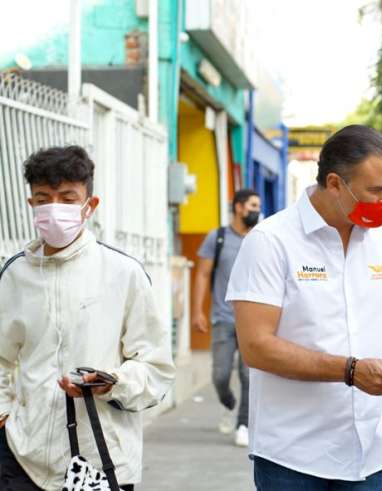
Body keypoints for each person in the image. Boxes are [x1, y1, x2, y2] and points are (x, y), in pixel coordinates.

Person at [226, 125, 382, 490]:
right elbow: (256, 347)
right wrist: (350, 370)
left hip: (370, 451)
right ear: (334, 183)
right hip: (294, 455)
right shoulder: (271, 241)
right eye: (376, 190)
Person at [0, 146, 175, 490]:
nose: (55, 208)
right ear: (31, 204)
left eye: (67, 198)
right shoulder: (14, 275)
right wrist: (4, 417)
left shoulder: (123, 273)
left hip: (101, 458)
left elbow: (156, 367)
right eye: (44, 198)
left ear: (89, 205)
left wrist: (113, 383)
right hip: (21, 455)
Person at [192, 188, 262, 447]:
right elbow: (201, 274)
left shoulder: (261, 238)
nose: (256, 211)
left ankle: (243, 424)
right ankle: (228, 402)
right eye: (253, 206)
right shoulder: (217, 237)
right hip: (222, 317)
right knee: (220, 375)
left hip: (252, 321)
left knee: (248, 374)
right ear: (239, 207)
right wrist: (197, 310)